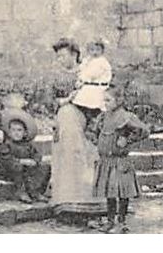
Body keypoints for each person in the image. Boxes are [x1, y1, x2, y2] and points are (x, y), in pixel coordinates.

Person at [47, 40, 106, 221]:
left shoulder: (88, 70)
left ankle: (94, 203)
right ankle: (68, 201)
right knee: (71, 150)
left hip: (91, 118)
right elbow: (49, 102)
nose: (60, 59)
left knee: (90, 152)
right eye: (58, 56)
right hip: (67, 119)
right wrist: (66, 100)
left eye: (63, 55)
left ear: (74, 54)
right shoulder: (55, 77)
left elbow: (103, 92)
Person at [91, 86, 152, 233]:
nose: (105, 103)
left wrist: (128, 139)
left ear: (118, 101)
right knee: (109, 192)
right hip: (106, 162)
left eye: (109, 100)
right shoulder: (103, 117)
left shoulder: (126, 117)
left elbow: (144, 131)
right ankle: (110, 220)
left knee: (122, 192)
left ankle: (121, 221)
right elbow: (95, 132)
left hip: (120, 162)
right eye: (104, 100)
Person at [0, 109, 50, 203]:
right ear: (9, 132)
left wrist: (35, 161)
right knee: (18, 168)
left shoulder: (28, 144)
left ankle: (36, 192)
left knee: (45, 167)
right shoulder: (7, 144)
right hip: (10, 170)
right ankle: (21, 191)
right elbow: (6, 159)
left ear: (25, 133)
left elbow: (37, 154)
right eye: (13, 130)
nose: (16, 133)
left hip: (27, 169)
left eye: (19, 130)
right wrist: (21, 161)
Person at [73, 38, 113, 119]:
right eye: (92, 50)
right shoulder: (89, 60)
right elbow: (82, 70)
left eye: (98, 50)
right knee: (83, 101)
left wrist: (83, 79)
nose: (95, 52)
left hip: (97, 86)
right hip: (89, 86)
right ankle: (86, 117)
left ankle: (95, 118)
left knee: (94, 103)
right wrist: (80, 79)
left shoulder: (101, 62)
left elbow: (93, 74)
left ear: (102, 51)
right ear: (88, 51)